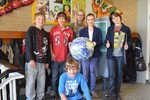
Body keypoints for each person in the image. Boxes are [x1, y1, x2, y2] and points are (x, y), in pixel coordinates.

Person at [104, 11, 131, 100]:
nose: (115, 18)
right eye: (113, 18)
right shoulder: (110, 29)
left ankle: (117, 92)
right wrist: (106, 44)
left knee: (119, 75)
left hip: (121, 56)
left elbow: (129, 41)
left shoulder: (126, 29)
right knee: (112, 75)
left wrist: (128, 46)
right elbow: (106, 41)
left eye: (116, 16)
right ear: (111, 20)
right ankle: (111, 94)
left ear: (119, 17)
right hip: (111, 55)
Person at [25, 12, 50, 100]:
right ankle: (30, 98)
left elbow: (47, 48)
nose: (41, 21)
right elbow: (28, 45)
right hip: (33, 62)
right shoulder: (31, 30)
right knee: (31, 81)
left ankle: (40, 97)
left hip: (42, 62)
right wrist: (31, 59)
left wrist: (47, 61)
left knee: (41, 81)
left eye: (43, 19)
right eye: (39, 19)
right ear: (35, 20)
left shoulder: (46, 34)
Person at [49, 12, 74, 98]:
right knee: (54, 77)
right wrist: (51, 53)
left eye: (63, 18)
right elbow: (50, 43)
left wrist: (69, 53)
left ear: (65, 20)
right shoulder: (53, 29)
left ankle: (63, 93)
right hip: (55, 58)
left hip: (65, 58)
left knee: (64, 77)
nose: (61, 20)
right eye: (60, 18)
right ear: (57, 19)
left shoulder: (69, 30)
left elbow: (71, 44)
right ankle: (53, 91)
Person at [79, 13, 102, 98]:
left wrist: (95, 43)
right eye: (88, 20)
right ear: (86, 20)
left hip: (95, 54)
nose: (90, 21)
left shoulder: (98, 30)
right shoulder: (82, 31)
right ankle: (85, 91)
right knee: (85, 74)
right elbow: (81, 43)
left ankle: (92, 90)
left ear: (94, 20)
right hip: (85, 55)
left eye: (92, 19)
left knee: (93, 73)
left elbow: (101, 41)